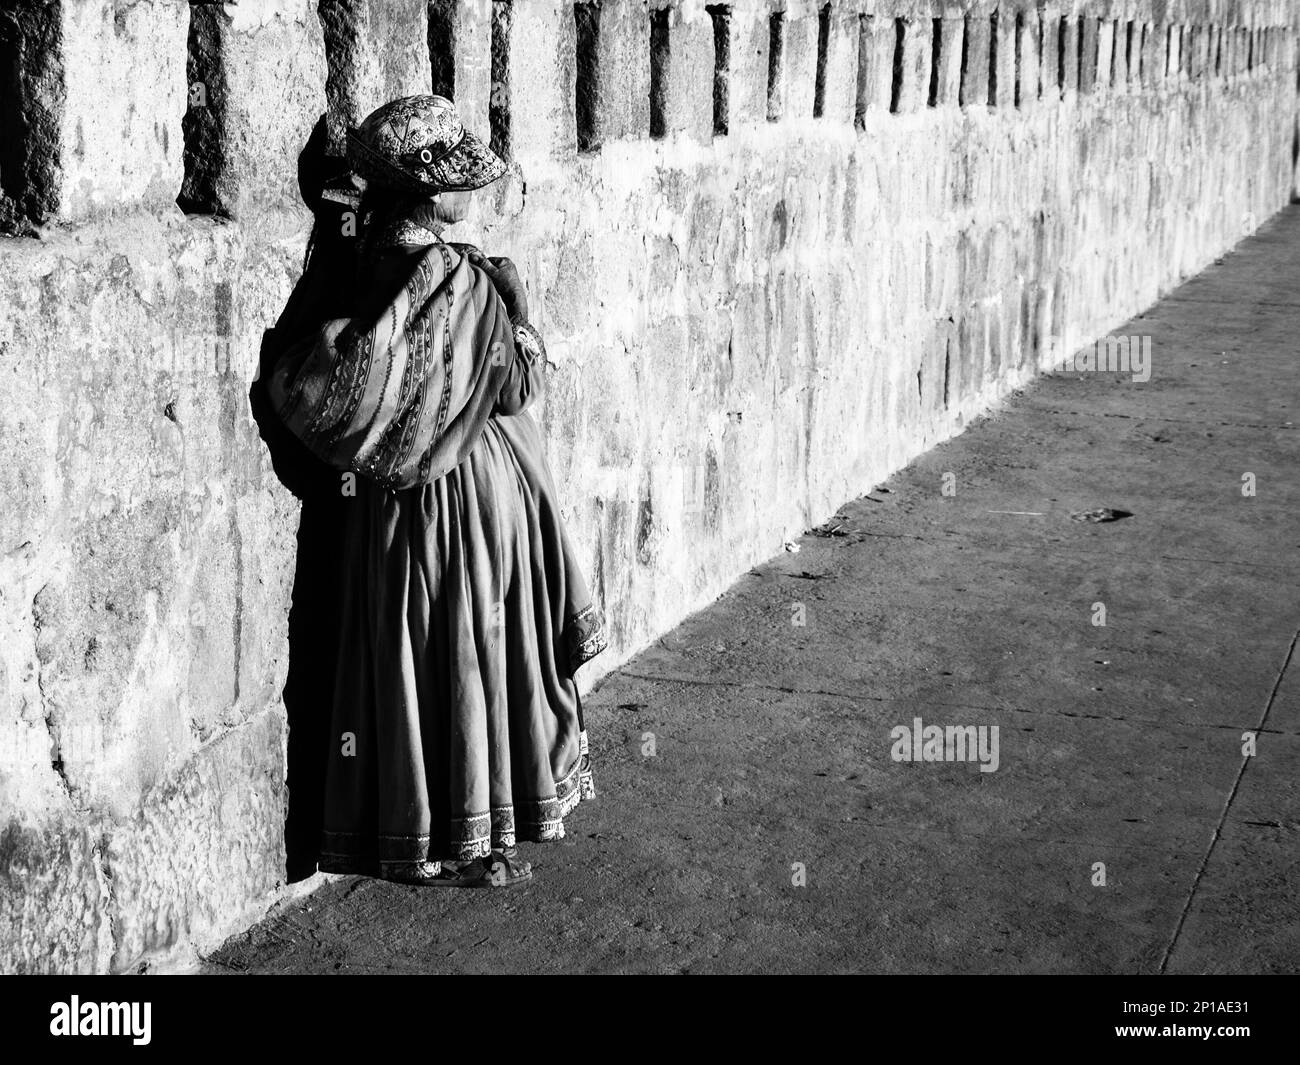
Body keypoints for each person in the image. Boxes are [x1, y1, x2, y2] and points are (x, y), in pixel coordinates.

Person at [258, 95, 606, 887]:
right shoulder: (463, 284)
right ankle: (480, 835)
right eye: (461, 183)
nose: (472, 194)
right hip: (469, 504)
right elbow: (515, 387)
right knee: (474, 660)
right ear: (433, 195)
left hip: (383, 514)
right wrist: (519, 320)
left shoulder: (349, 267)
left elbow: (319, 382)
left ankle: (407, 832)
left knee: (406, 663)